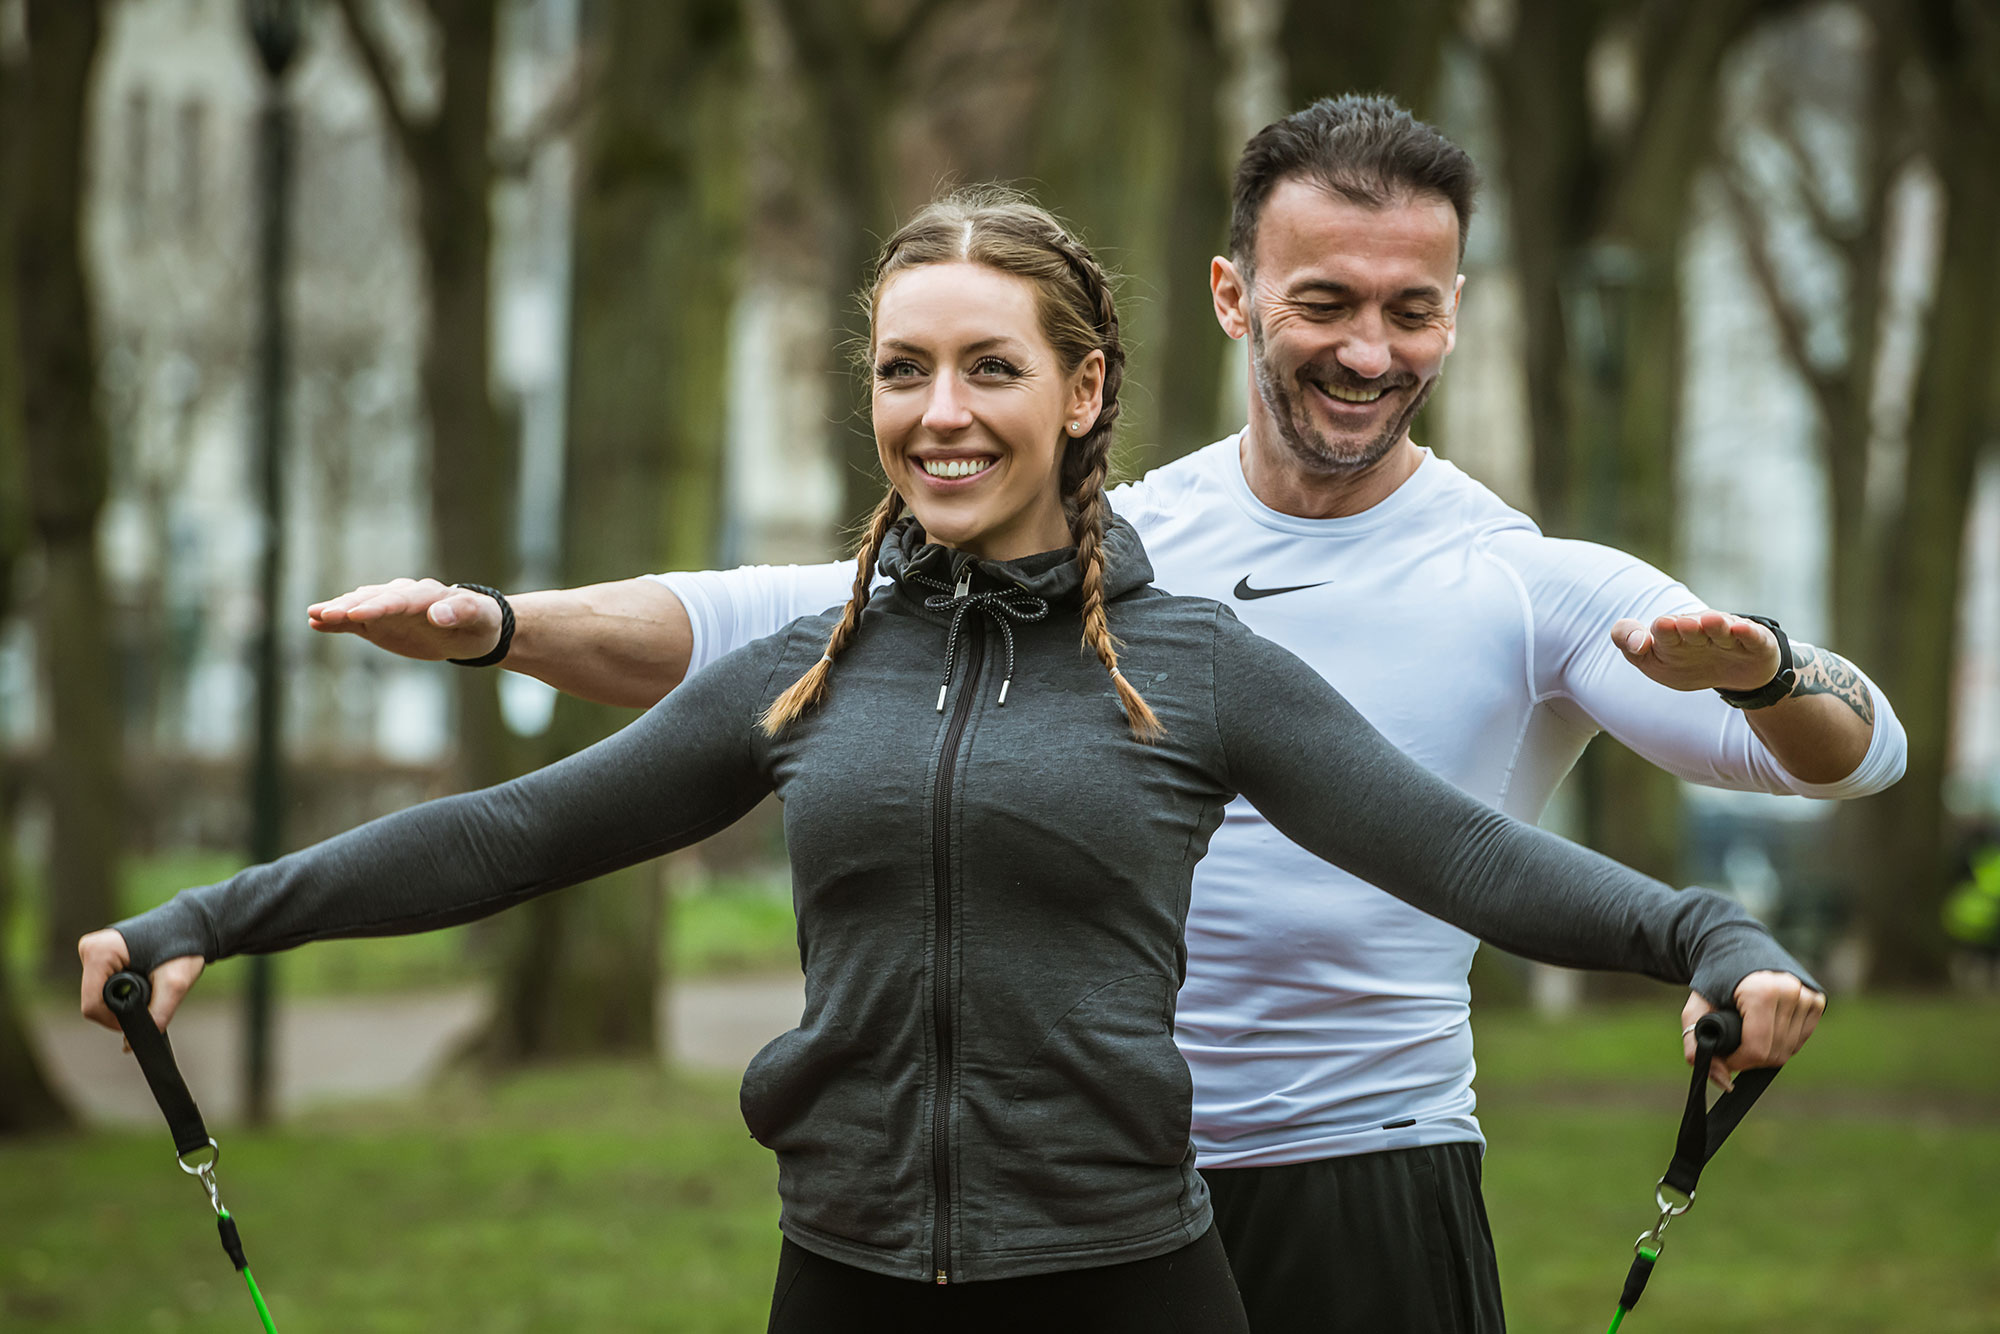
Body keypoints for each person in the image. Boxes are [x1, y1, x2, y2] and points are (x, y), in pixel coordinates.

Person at [86, 190, 1824, 1334]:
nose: (942, 411)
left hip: (1129, 1279)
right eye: (903, 369)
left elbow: (1468, 856)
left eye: (992, 368)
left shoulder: (1198, 668)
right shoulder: (814, 668)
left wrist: (1707, 937)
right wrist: (207, 920)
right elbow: (511, 835)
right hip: (837, 1276)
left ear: (1081, 394)